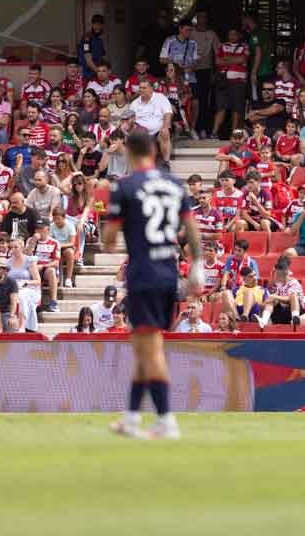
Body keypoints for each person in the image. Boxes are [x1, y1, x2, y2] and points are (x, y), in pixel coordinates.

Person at [104, 131, 201, 440]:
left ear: (131, 154)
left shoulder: (127, 186)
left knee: (151, 349)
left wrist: (110, 217)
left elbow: (107, 242)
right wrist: (197, 266)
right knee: (146, 348)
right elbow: (191, 228)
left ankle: (165, 419)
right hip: (169, 272)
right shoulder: (174, 185)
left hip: (143, 274)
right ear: (155, 151)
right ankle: (131, 418)